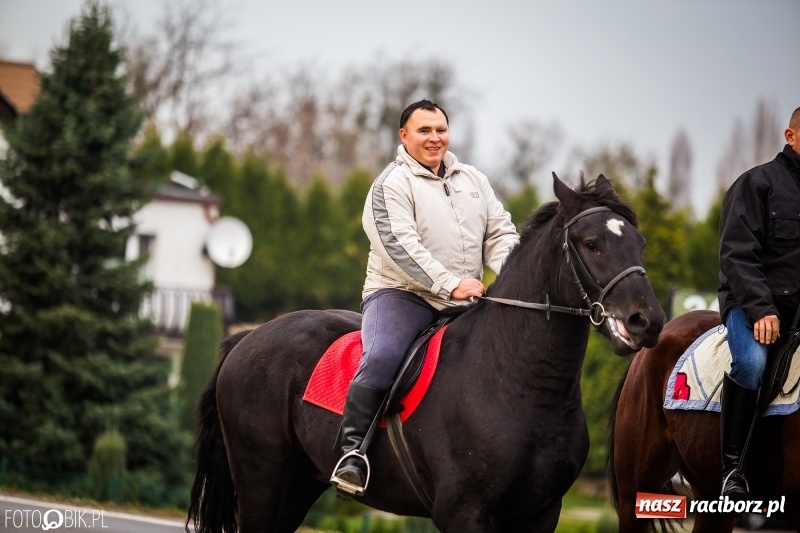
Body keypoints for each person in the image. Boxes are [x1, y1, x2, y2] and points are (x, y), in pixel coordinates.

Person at [330, 99, 520, 496]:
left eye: (440, 130)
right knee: (382, 356)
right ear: (404, 136)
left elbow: (500, 234)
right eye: (424, 131)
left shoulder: (474, 180)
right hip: (401, 296)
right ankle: (351, 452)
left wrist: (513, 276)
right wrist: (450, 283)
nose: (435, 139)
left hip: (463, 300)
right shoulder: (390, 184)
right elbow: (399, 246)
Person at [717, 106, 800, 501]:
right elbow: (736, 254)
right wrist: (761, 309)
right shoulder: (756, 183)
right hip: (755, 307)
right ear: (790, 136)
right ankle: (732, 469)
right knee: (751, 363)